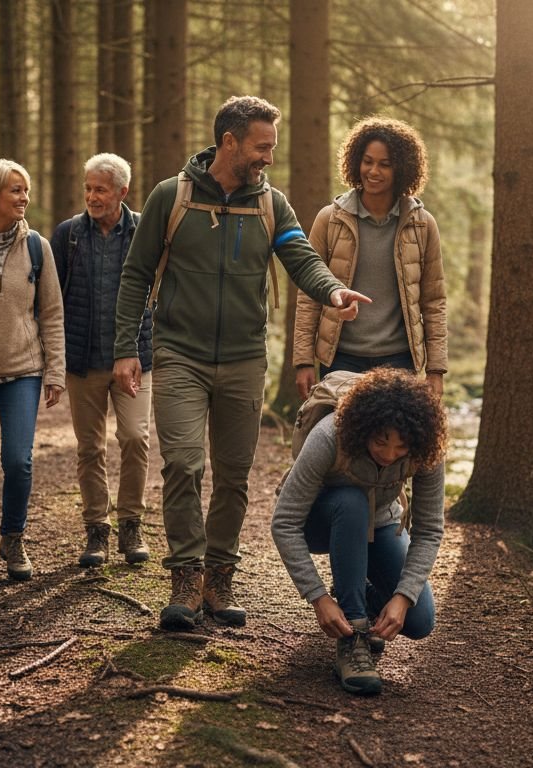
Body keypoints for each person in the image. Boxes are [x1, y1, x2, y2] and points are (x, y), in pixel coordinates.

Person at [112, 95, 371, 632]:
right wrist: (124, 349)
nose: (267, 158)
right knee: (184, 463)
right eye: (261, 147)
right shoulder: (172, 196)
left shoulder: (271, 203)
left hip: (244, 358)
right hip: (179, 353)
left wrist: (333, 292)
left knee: (232, 476)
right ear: (228, 142)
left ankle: (219, 576)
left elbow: (301, 257)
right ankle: (185, 575)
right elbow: (136, 275)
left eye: (271, 147)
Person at [271, 368, 447, 696]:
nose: (389, 454)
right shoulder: (329, 435)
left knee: (419, 620)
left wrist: (402, 597)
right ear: (364, 427)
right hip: (321, 520)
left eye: (400, 447)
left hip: (380, 522)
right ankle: (352, 640)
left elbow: (429, 529)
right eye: (381, 442)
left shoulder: (426, 449)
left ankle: (360, 594)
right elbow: (284, 522)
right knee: (351, 502)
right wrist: (319, 598)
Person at [0, 159, 65, 588]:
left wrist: (55, 371)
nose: (24, 197)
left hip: (24, 371)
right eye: (16, 190)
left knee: (18, 462)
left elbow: (52, 313)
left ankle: (13, 539)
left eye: (26, 189)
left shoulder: (37, 246)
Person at [293, 117, 447, 400]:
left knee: (392, 443)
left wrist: (436, 370)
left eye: (384, 164)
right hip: (341, 358)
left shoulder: (423, 225)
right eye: (367, 161)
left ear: (402, 168)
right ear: (356, 162)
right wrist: (303, 360)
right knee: (342, 441)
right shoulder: (330, 220)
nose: (373, 171)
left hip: (400, 361)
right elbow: (308, 294)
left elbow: (434, 301)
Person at [53, 153, 153, 568]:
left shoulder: (146, 231)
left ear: (122, 192)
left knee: (134, 437)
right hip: (84, 360)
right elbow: (52, 298)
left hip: (135, 358)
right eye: (88, 188)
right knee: (90, 447)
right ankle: (97, 529)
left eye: (101, 189)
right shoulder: (69, 235)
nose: (92, 196)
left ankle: (131, 522)